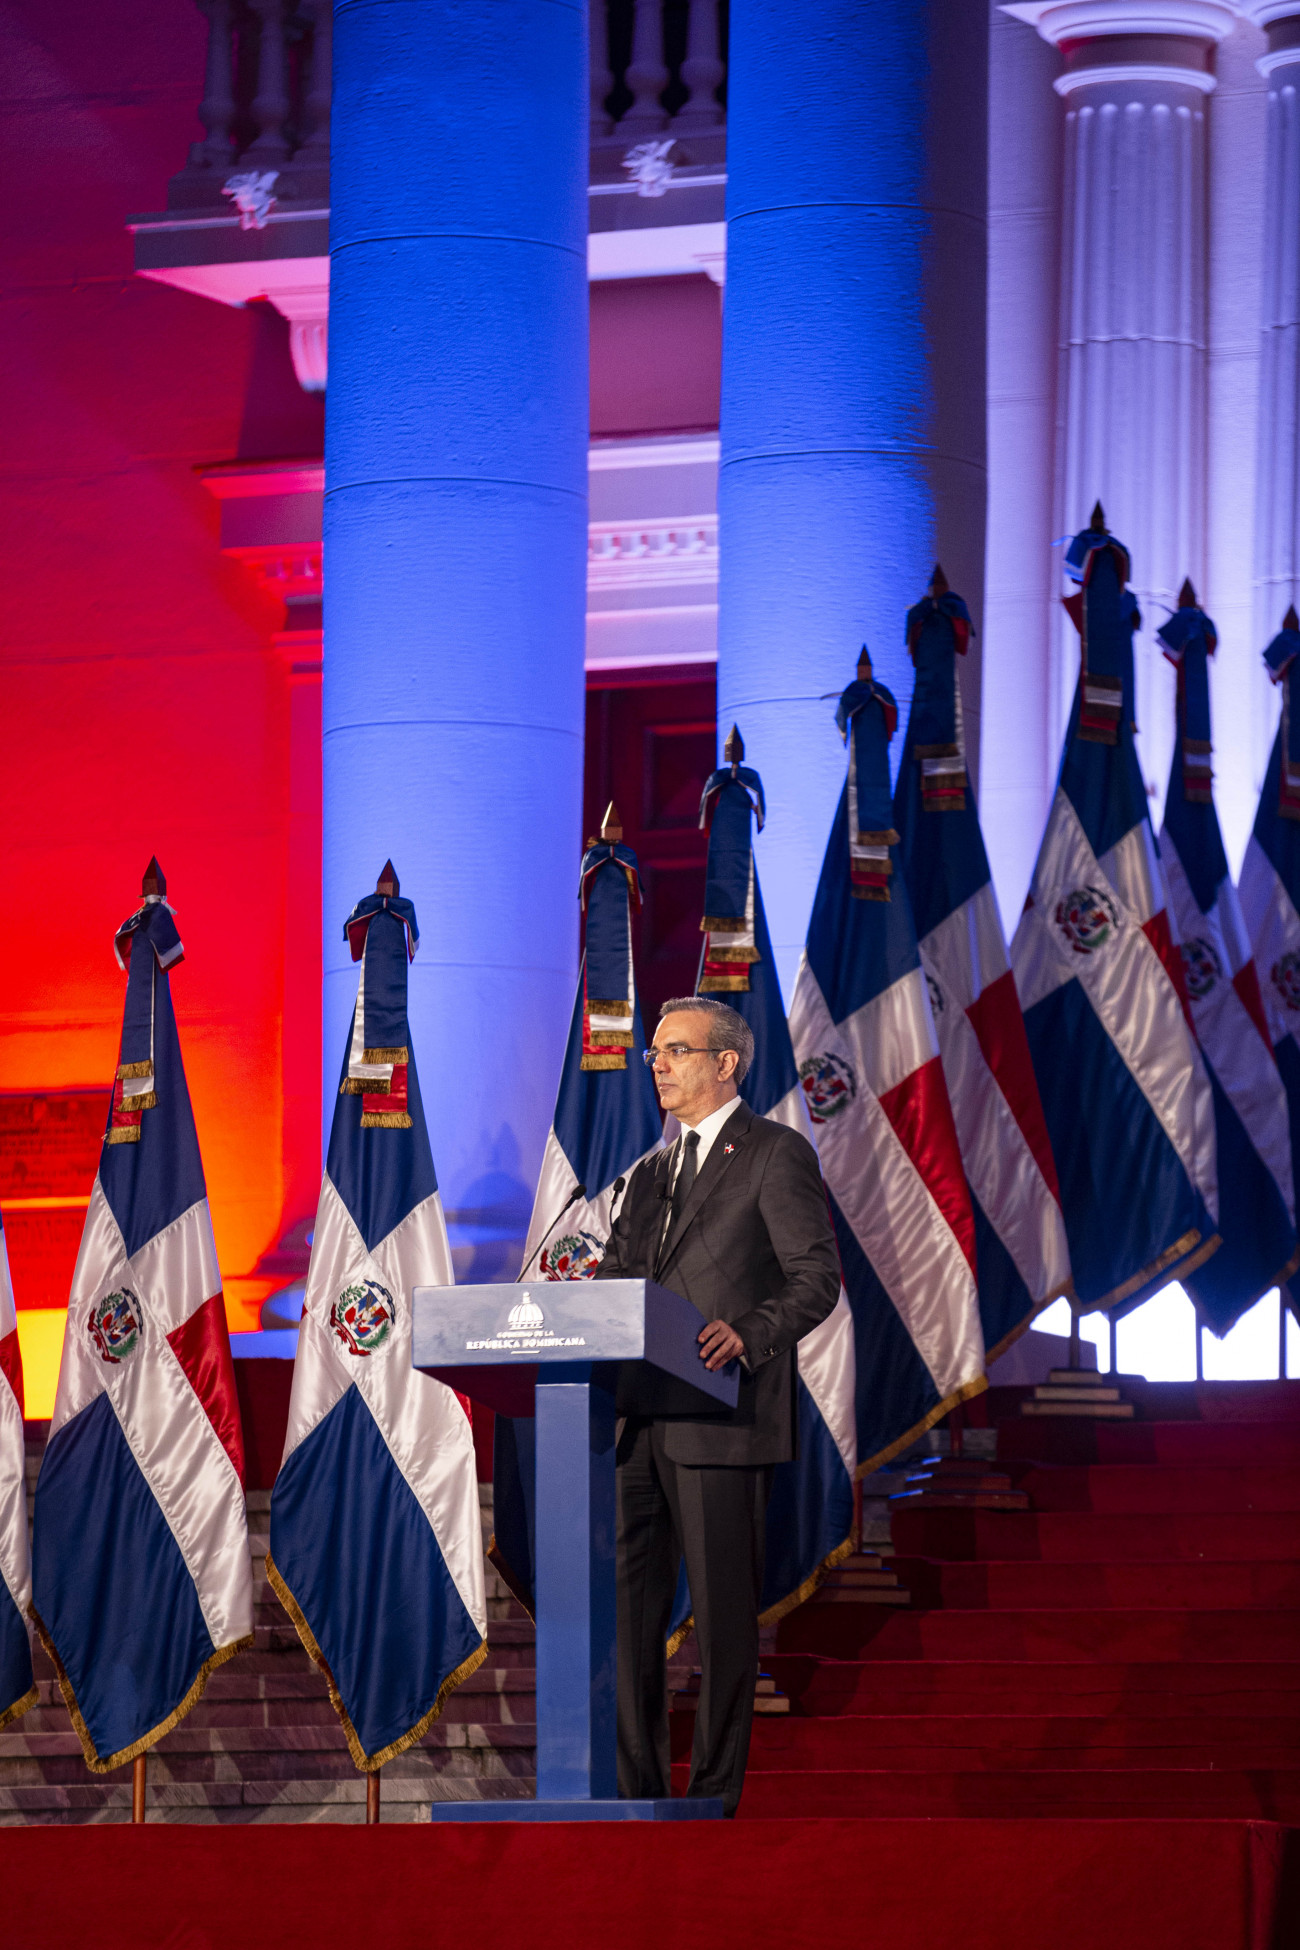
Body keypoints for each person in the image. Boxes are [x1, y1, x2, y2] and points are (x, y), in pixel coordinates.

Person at [596, 995, 841, 1816]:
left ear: (725, 1062)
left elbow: (816, 1278)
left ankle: (710, 1798)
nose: (657, 1064)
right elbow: (617, 1287)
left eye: (675, 1050)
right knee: (629, 1622)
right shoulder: (650, 1175)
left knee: (722, 1618)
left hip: (721, 1417)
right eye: (654, 1053)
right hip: (638, 1423)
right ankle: (637, 1797)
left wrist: (748, 1333)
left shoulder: (774, 1153)